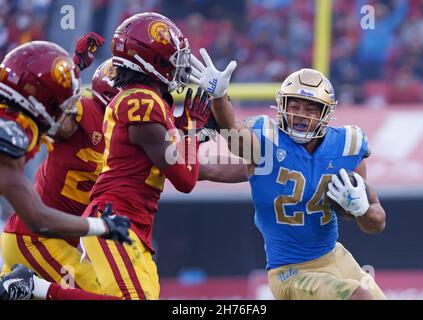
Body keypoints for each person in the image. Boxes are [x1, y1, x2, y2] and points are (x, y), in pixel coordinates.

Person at [191, 50, 387, 300]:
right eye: (294, 105)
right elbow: (233, 133)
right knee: (360, 297)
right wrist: (219, 98)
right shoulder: (266, 143)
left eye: (310, 108)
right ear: (281, 106)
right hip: (291, 271)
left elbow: (377, 224)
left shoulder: (347, 146)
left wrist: (361, 210)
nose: (300, 115)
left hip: (337, 256)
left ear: (325, 114)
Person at [79, 12, 211, 300]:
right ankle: (36, 288)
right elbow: (185, 179)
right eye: (172, 59)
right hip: (115, 217)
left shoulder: (145, 101)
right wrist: (193, 130)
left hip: (133, 223)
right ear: (153, 61)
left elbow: (183, 161)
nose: (179, 66)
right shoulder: (142, 102)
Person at [0, 41, 130, 300]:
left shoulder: (18, 122)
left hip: (41, 237)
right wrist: (102, 226)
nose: (66, 110)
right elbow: (38, 219)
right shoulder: (11, 134)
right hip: (35, 237)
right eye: (59, 103)